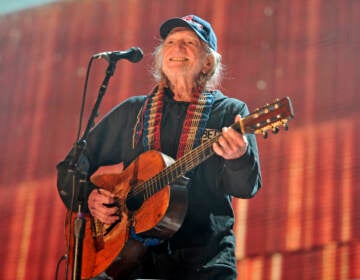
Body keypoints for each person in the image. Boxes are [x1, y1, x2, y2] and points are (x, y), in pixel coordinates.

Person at [57, 14, 262, 280]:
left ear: (208, 62)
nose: (177, 48)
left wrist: (238, 157)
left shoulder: (230, 113)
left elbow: (246, 187)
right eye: (171, 42)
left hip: (204, 262)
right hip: (134, 263)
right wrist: (90, 197)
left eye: (189, 42)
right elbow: (70, 168)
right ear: (160, 58)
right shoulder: (133, 111)